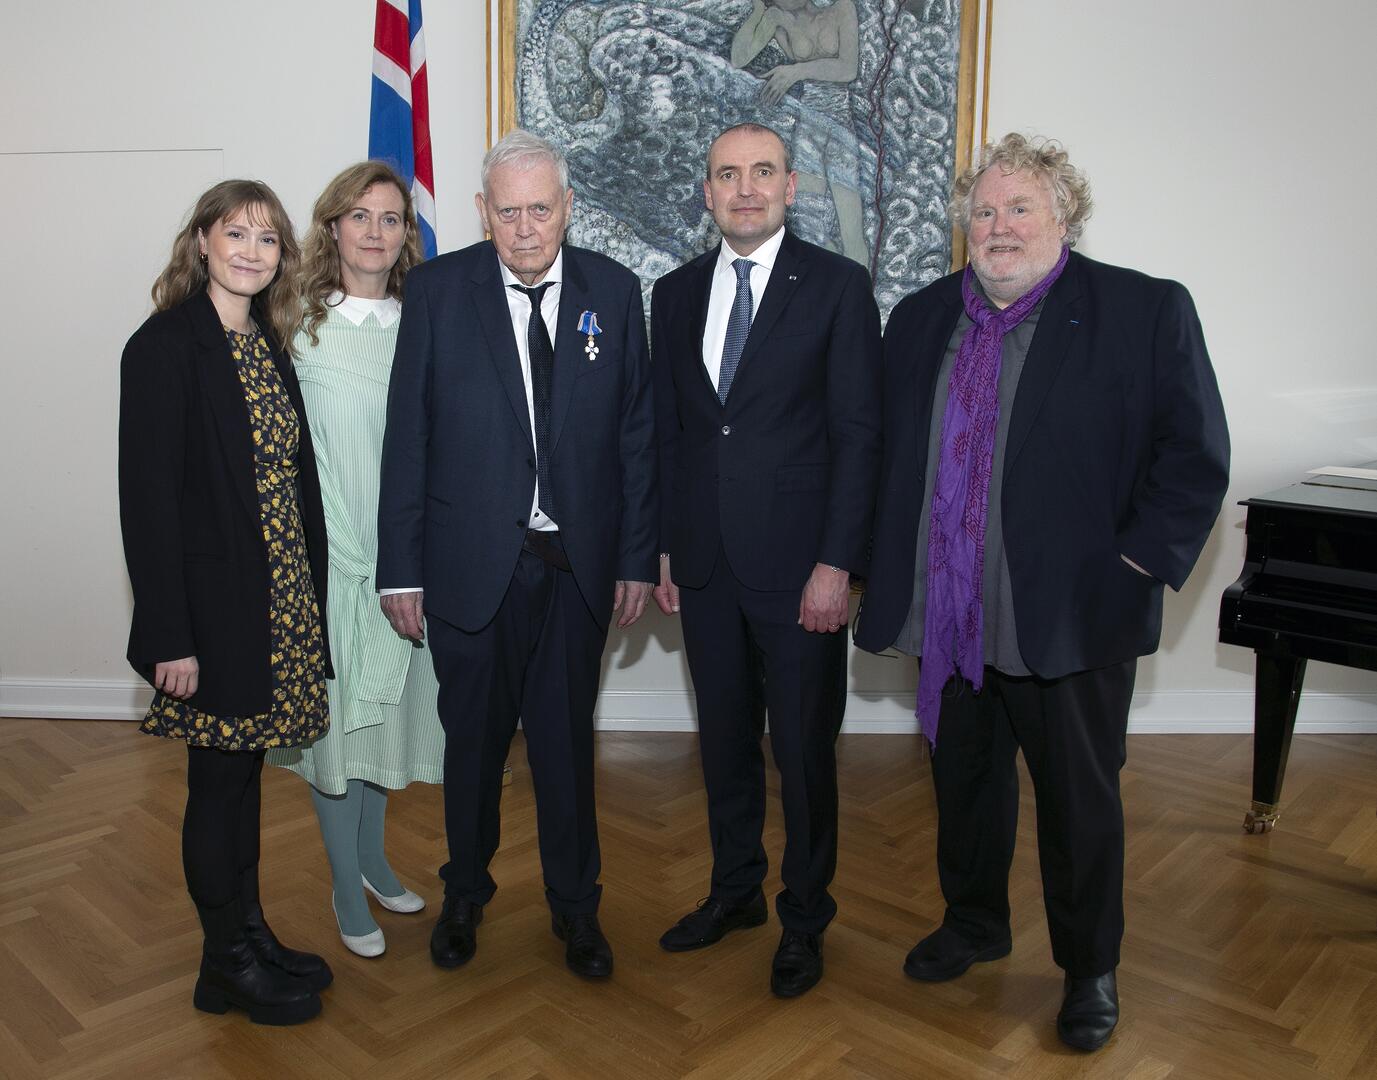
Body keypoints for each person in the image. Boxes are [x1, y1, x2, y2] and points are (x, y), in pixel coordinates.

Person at [854, 133, 1230, 1051]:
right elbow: (887, 454)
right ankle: (975, 922)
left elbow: (1193, 455)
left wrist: (1133, 566)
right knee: (964, 784)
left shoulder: (1141, 309)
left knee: (1077, 803)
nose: (998, 226)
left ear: (1064, 217)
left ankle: (1088, 966)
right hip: (948, 613)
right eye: (983, 211)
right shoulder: (920, 317)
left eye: (1019, 207)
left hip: (1069, 613)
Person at [376, 129, 657, 979]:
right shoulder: (437, 292)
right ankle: (464, 894)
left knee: (566, 750)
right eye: (508, 212)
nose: (525, 228)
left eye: (540, 209)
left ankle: (576, 909)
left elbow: (636, 437)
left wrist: (635, 558)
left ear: (567, 207)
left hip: (577, 571)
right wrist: (400, 568)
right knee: (472, 748)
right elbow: (408, 437)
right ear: (481, 212)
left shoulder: (613, 291)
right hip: (469, 569)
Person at [651, 122, 882, 998]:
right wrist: (664, 544)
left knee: (803, 753)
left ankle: (805, 917)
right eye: (726, 174)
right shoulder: (673, 293)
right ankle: (735, 891)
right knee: (723, 743)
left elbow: (859, 436)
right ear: (706, 191)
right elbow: (672, 433)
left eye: (761, 172)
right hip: (704, 562)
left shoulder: (837, 287)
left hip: (800, 571)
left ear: (790, 185)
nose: (743, 189)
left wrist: (837, 565)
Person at [119, 180, 334, 1025]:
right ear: (202, 241)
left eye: (267, 238)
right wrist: (169, 634)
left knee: (245, 781)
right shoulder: (164, 346)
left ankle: (247, 937)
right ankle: (225, 967)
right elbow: (148, 504)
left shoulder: (265, 341)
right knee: (216, 786)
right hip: (209, 614)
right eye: (235, 233)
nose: (251, 250)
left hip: (276, 599)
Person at [266, 162, 440, 958]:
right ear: (332, 226)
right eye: (360, 216)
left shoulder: (424, 324)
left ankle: (372, 860)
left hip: (402, 567)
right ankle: (344, 886)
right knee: (336, 734)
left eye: (391, 218)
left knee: (380, 722)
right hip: (328, 566)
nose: (375, 231)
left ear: (407, 234)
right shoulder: (294, 324)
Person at [731, 0, 867, 264]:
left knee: (851, 230)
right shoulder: (778, 17)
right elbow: (738, 58)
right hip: (808, 129)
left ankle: (859, 289)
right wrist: (758, 10)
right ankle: (825, 285)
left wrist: (796, 71)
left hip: (840, 128)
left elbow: (848, 68)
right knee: (808, 227)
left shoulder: (841, 7)